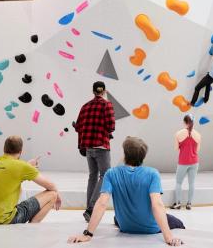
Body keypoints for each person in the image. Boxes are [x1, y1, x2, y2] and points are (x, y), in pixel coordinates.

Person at [68, 137, 184, 246]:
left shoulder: (111, 173)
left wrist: (87, 234)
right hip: (151, 228)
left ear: (124, 155)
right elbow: (157, 205)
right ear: (143, 157)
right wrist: (168, 237)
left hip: (125, 226)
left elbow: (102, 203)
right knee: (178, 222)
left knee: (116, 218)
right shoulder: (152, 174)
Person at [0, 136, 62, 225]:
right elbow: (51, 186)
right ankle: (33, 225)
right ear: (21, 151)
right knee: (53, 194)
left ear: (4, 149)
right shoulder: (21, 166)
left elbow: (9, 173)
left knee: (17, 187)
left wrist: (27, 166)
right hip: (2, 219)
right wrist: (58, 196)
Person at [74, 81, 115, 222]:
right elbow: (111, 126)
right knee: (105, 175)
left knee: (93, 175)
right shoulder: (106, 105)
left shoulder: (85, 106)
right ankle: (91, 208)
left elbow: (78, 126)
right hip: (101, 146)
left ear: (93, 91)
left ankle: (88, 209)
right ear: (104, 91)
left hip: (88, 147)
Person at [171, 114, 201, 210]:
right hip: (194, 162)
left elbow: (175, 148)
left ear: (184, 122)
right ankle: (189, 204)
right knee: (191, 183)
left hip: (183, 162)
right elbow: (197, 151)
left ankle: (178, 203)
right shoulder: (198, 135)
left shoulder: (178, 134)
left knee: (179, 182)